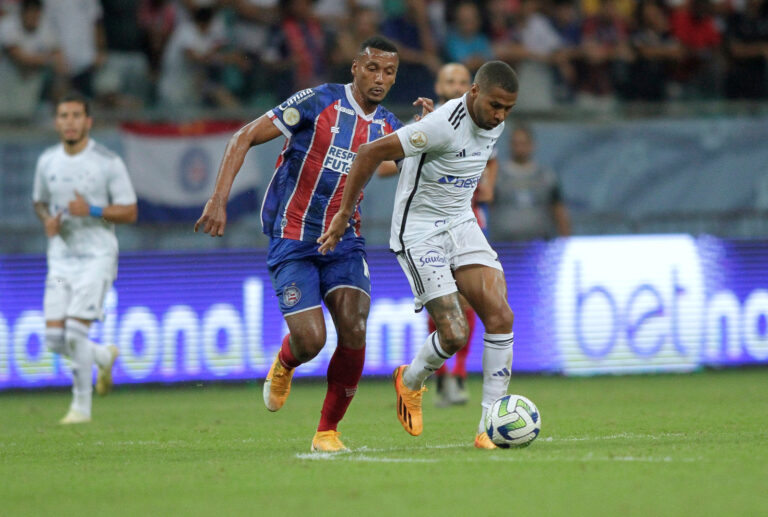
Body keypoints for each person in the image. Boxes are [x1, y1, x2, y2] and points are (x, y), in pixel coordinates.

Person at [195, 36, 430, 453]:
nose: (380, 78)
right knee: (311, 340)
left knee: (355, 327)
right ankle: (286, 361)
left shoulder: (387, 125)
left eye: (389, 72)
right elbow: (243, 137)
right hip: (292, 237)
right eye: (372, 68)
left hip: (346, 240)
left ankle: (327, 432)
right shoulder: (317, 101)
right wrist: (217, 199)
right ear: (355, 67)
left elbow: (402, 164)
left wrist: (424, 133)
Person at [319, 60, 519, 450]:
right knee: (455, 333)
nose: (500, 115)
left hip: (461, 223)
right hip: (420, 232)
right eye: (495, 105)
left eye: (508, 109)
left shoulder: (495, 122)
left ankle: (489, 427)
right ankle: (409, 380)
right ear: (474, 93)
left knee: (501, 315)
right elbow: (367, 154)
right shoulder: (441, 125)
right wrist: (344, 214)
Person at [32, 93, 138, 424]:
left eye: (77, 115)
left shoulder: (107, 162)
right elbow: (40, 201)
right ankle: (103, 356)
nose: (70, 121)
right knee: (53, 338)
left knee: (75, 333)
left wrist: (91, 209)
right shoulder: (47, 161)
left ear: (88, 121)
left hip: (97, 258)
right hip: (62, 261)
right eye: (64, 115)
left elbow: (130, 211)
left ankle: (81, 408)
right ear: (57, 122)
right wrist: (47, 219)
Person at [490, 125, 571, 241]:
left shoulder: (546, 177)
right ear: (510, 145)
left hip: (539, 246)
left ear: (532, 145)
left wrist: (565, 241)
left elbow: (559, 211)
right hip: (504, 246)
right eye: (516, 143)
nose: (520, 148)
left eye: (523, 143)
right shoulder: (497, 176)